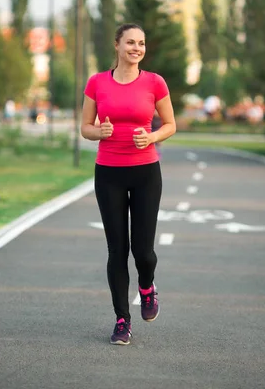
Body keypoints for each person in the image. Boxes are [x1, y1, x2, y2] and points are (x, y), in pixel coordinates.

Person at [81, 23, 177, 345]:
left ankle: (147, 287)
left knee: (143, 251)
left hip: (145, 172)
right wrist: (99, 132)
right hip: (108, 173)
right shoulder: (97, 83)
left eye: (141, 43)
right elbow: (85, 127)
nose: (137, 48)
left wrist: (150, 136)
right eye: (131, 42)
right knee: (116, 250)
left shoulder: (154, 82)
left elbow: (170, 124)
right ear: (117, 45)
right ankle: (122, 319)